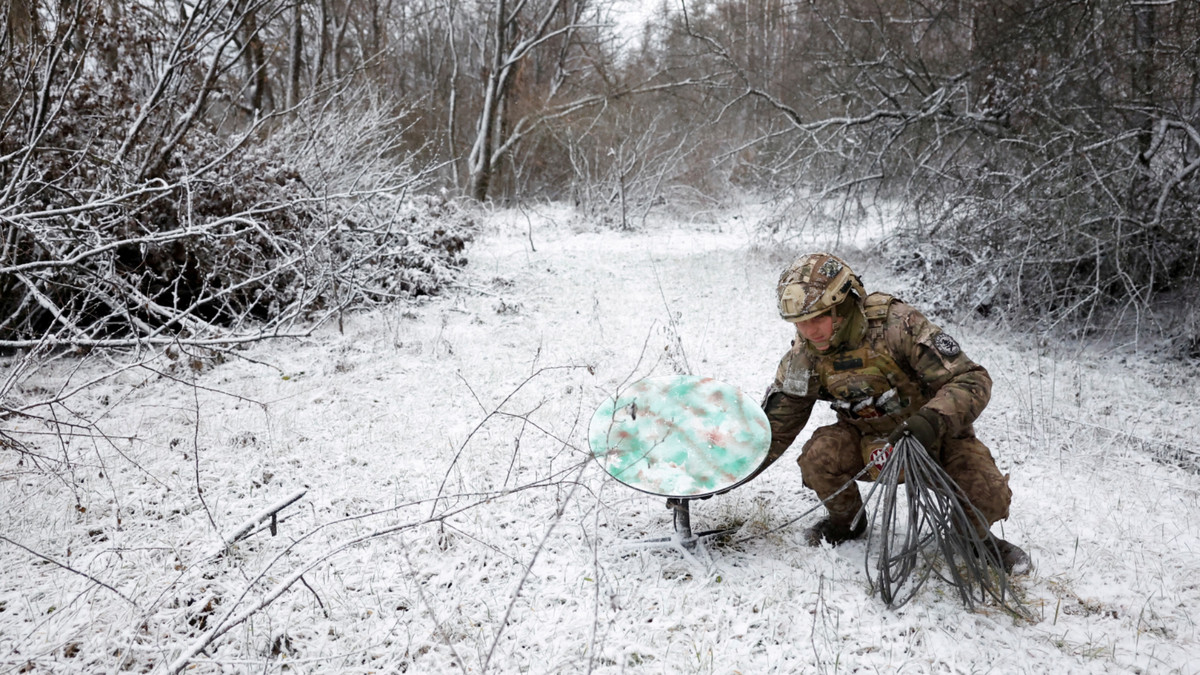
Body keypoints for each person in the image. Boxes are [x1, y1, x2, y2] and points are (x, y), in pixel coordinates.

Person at [758, 252, 1030, 573]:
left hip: (932, 437)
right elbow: (777, 424)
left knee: (987, 492)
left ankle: (973, 538)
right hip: (867, 442)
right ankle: (847, 523)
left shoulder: (897, 326)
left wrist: (930, 421)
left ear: (843, 307)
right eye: (800, 323)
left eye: (818, 318)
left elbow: (971, 379)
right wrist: (723, 475)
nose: (809, 331)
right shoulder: (805, 355)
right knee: (818, 457)